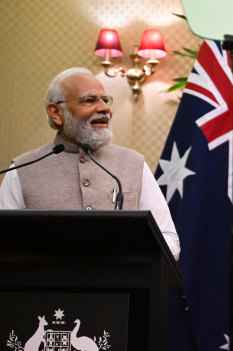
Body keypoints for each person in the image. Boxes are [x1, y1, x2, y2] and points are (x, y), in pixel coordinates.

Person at [0, 67, 180, 259]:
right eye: (89, 100)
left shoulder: (134, 164)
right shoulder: (23, 169)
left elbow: (169, 239)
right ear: (56, 113)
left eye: (105, 99)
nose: (104, 108)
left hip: (122, 285)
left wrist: (127, 252)